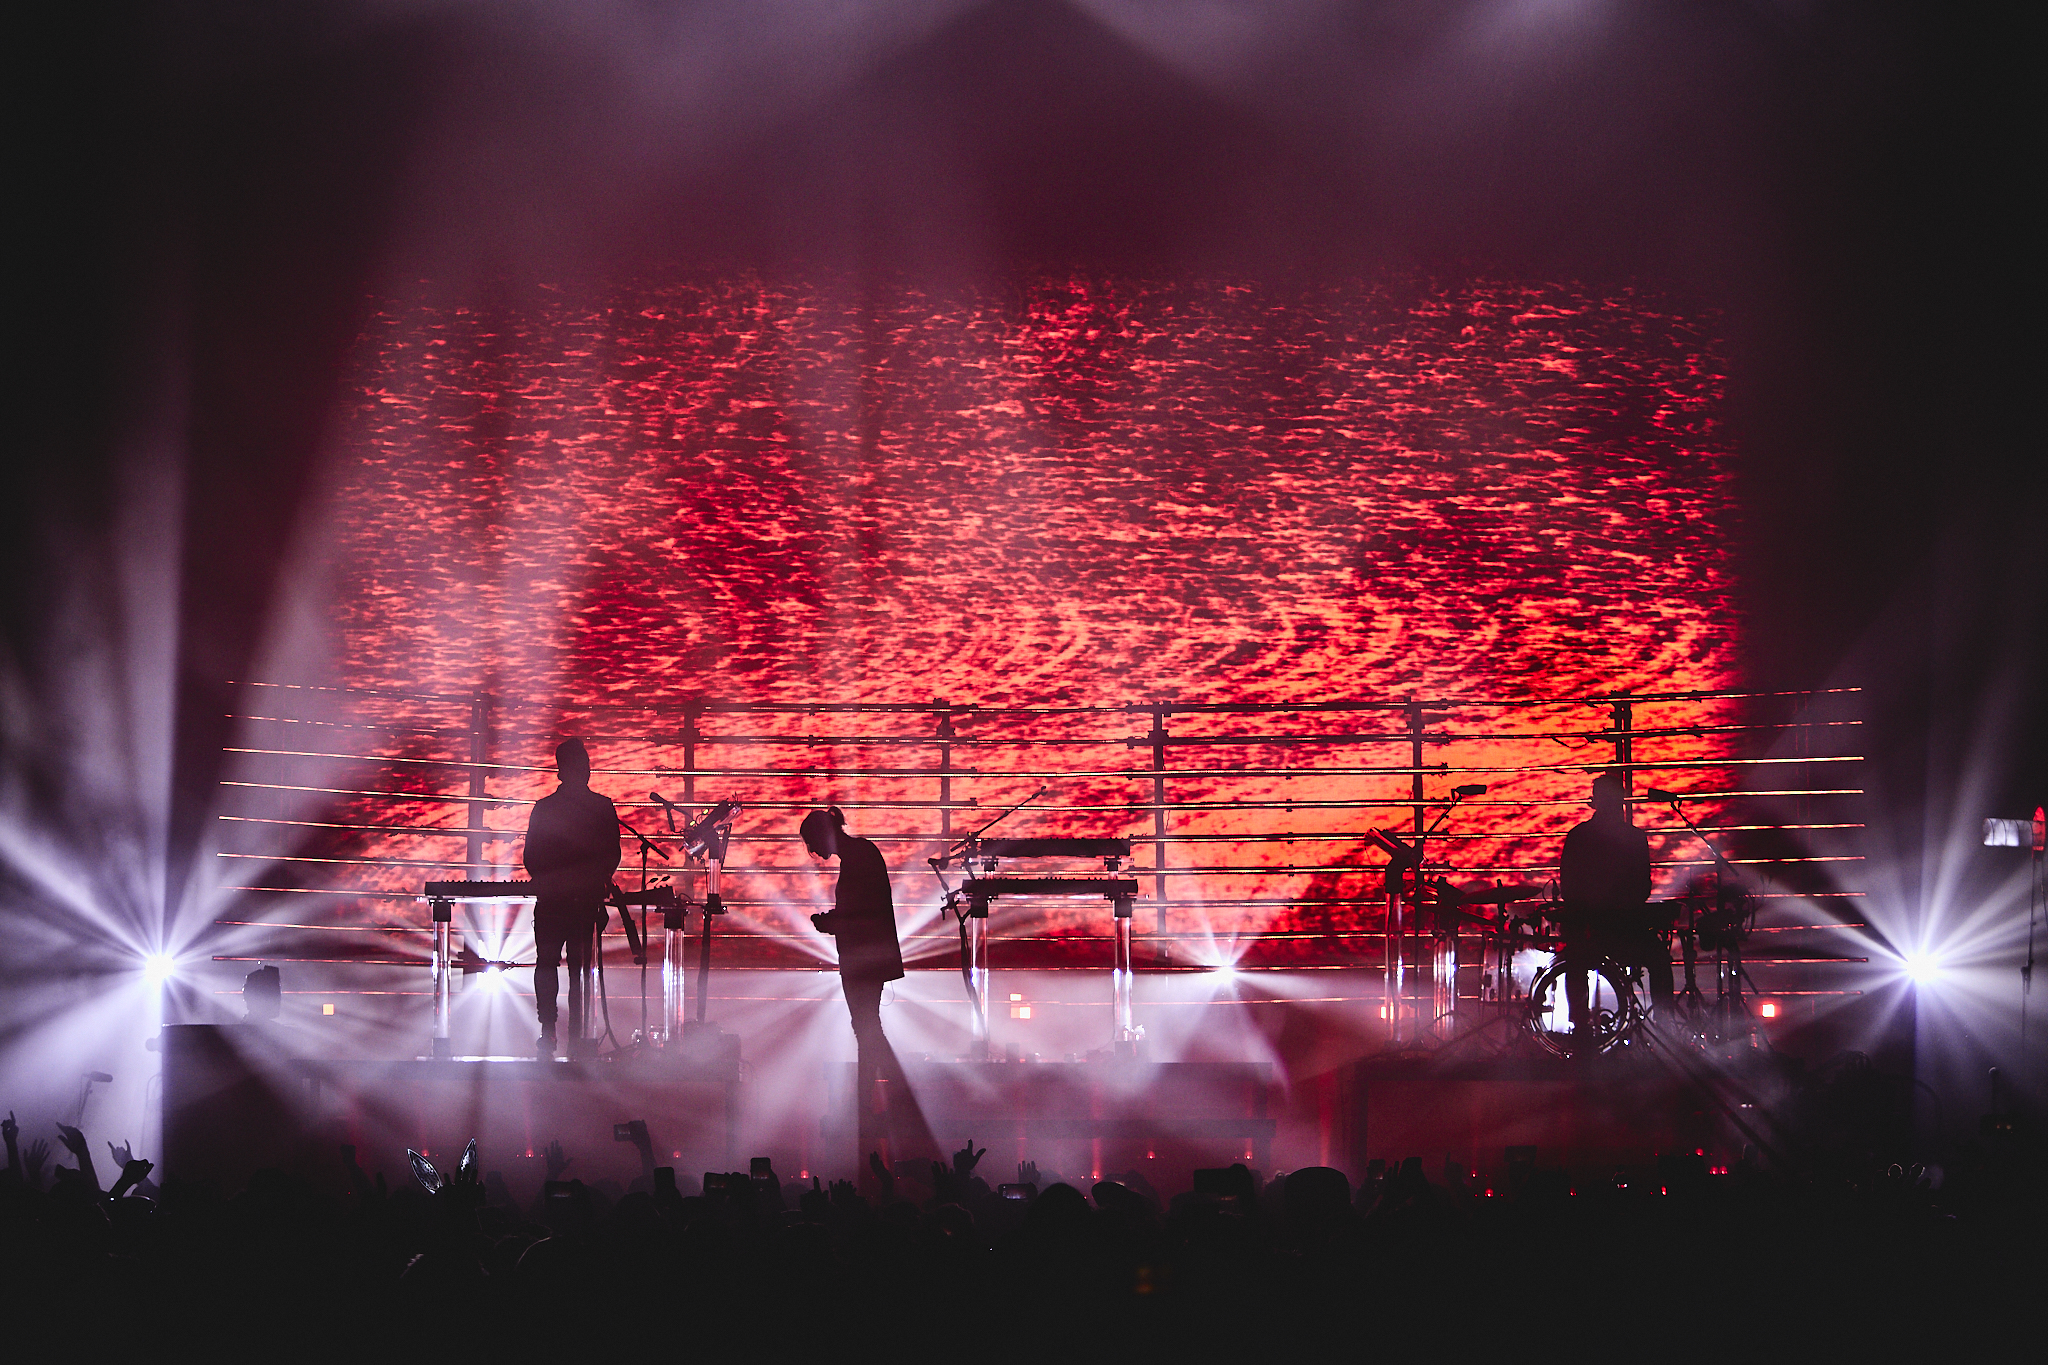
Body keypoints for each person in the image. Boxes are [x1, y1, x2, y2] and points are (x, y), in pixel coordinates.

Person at [803, 807, 910, 1162]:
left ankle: (885, 1095)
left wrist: (830, 923)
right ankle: (880, 1096)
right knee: (866, 1027)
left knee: (866, 1027)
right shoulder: (862, 855)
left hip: (864, 960)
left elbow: (861, 914)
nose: (814, 853)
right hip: (867, 959)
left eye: (813, 844)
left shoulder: (859, 858)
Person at [1557, 771, 1671, 1047]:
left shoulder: (1580, 836)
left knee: (1576, 960)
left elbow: (1568, 886)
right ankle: (1665, 1029)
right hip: (1621, 928)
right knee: (1658, 959)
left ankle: (1581, 1028)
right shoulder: (1633, 838)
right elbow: (1643, 888)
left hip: (1592, 928)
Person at [523, 738, 620, 1057]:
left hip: (552, 903)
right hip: (582, 904)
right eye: (585, 763)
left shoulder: (544, 808)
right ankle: (577, 1035)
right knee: (579, 970)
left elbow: (531, 857)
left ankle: (548, 1032)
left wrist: (554, 878)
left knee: (547, 965)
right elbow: (612, 856)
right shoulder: (602, 807)